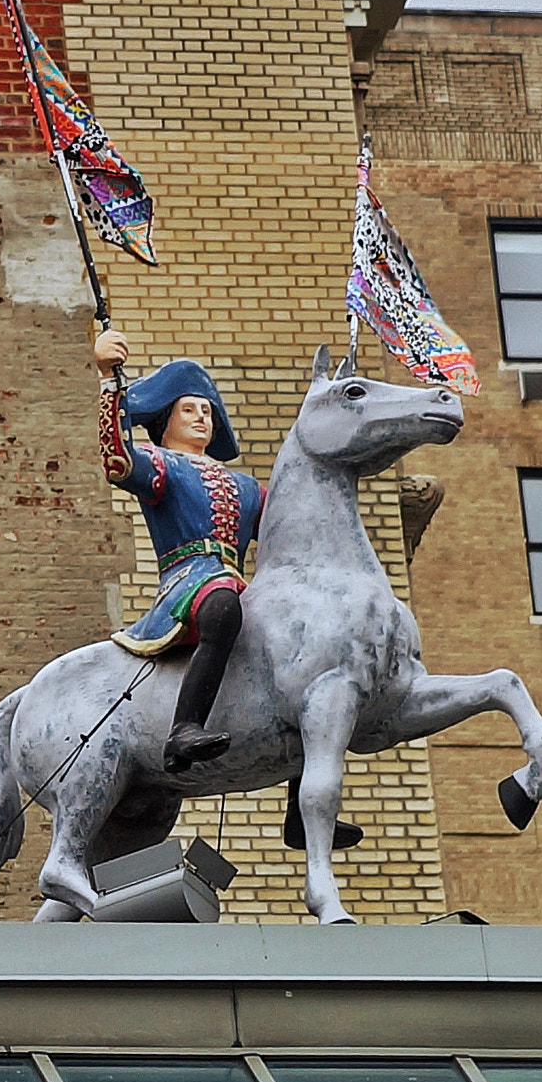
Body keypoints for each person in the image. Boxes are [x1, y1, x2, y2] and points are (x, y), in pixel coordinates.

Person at [93, 332, 361, 845]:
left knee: (305, 656)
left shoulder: (242, 485)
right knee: (220, 610)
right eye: (189, 409)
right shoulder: (161, 465)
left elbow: (289, 522)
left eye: (206, 411)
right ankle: (183, 729)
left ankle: (301, 810)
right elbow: (116, 461)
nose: (201, 418)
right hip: (189, 579)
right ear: (165, 420)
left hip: (238, 585)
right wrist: (110, 382)